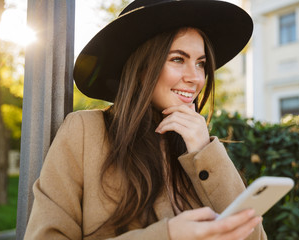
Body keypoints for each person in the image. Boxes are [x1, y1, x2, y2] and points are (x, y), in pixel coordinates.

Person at [24, 0, 267, 239]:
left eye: (201, 64)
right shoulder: (85, 132)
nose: (196, 78)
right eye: (178, 59)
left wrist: (205, 150)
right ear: (141, 68)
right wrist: (168, 235)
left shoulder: (199, 148)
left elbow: (253, 235)